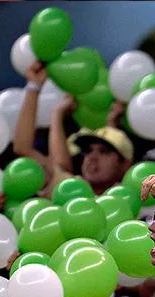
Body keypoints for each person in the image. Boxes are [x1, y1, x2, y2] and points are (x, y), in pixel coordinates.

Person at [12, 62, 134, 197]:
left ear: (126, 165)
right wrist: (34, 86)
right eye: (87, 151)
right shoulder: (70, 189)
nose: (92, 157)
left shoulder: (140, 198)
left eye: (104, 151)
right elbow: (23, 148)